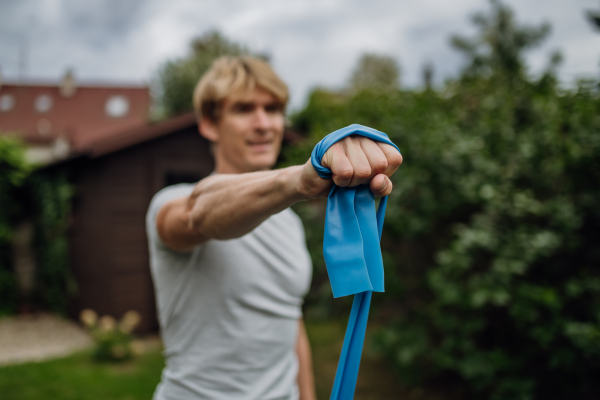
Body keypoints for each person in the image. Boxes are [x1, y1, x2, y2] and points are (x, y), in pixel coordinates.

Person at [146, 56, 403, 400]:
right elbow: (199, 213)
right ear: (209, 123)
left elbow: (290, 321)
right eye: (243, 109)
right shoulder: (170, 203)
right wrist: (299, 180)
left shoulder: (289, 223)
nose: (263, 123)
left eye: (273, 109)